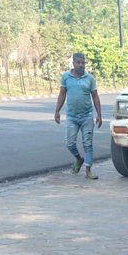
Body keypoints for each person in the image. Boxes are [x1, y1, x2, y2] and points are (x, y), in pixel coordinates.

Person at [54, 52, 102, 180]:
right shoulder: (66, 77)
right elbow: (62, 95)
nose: (81, 65)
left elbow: (95, 97)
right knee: (69, 143)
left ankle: (88, 170)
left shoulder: (89, 79)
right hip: (72, 117)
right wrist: (57, 111)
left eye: (83, 63)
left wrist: (99, 115)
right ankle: (78, 159)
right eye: (78, 62)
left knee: (87, 143)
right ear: (73, 63)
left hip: (87, 116)